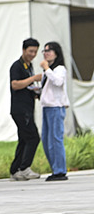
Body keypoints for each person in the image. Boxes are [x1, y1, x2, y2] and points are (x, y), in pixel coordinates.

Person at [9, 38, 43, 181]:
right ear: (23, 50)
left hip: (28, 107)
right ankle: (24, 168)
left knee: (24, 139)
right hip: (20, 109)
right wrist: (33, 78)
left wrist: (35, 92)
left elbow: (25, 86)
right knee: (33, 137)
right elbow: (15, 84)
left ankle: (15, 170)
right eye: (30, 51)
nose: (33, 54)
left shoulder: (29, 66)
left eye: (35, 52)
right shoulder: (17, 66)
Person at [39, 42, 70, 181]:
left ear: (56, 53)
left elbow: (58, 82)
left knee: (56, 139)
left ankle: (60, 170)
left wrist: (46, 69)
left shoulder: (60, 69)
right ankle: (55, 168)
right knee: (46, 140)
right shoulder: (49, 70)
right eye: (44, 51)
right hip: (47, 107)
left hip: (56, 107)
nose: (46, 53)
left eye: (49, 51)